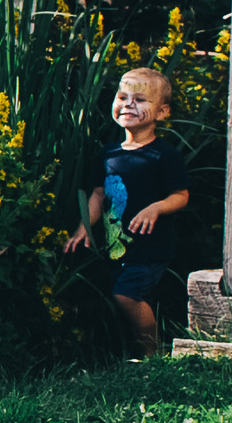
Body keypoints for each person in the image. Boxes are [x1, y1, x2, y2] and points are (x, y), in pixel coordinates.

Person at [65, 66, 190, 358]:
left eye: (141, 100)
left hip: (149, 248)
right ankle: (127, 349)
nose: (129, 104)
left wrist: (156, 208)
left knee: (127, 295)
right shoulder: (109, 153)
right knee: (122, 294)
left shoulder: (163, 155)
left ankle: (153, 353)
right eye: (123, 97)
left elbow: (181, 196)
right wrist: (83, 228)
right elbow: (98, 194)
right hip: (115, 248)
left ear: (162, 112)